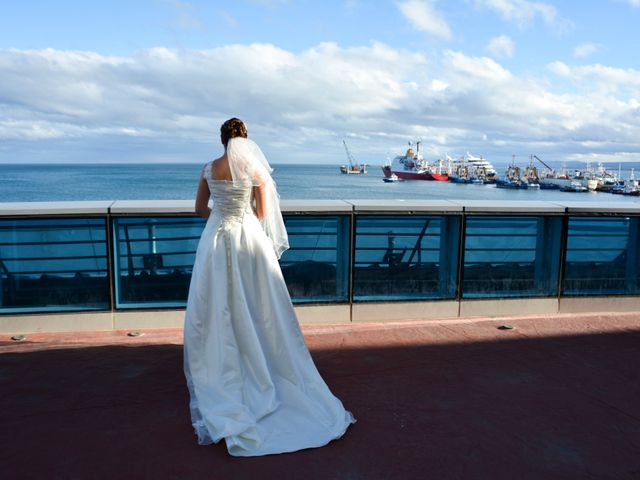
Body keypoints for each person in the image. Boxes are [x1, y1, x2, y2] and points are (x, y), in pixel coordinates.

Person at [183, 118, 355, 457]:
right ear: (245, 139)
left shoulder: (208, 168)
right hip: (248, 240)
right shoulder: (254, 170)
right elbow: (263, 211)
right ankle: (264, 358)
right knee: (260, 303)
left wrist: (222, 215)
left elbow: (199, 209)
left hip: (217, 240)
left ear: (222, 140)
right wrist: (241, 213)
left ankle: (225, 364)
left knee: (217, 304)